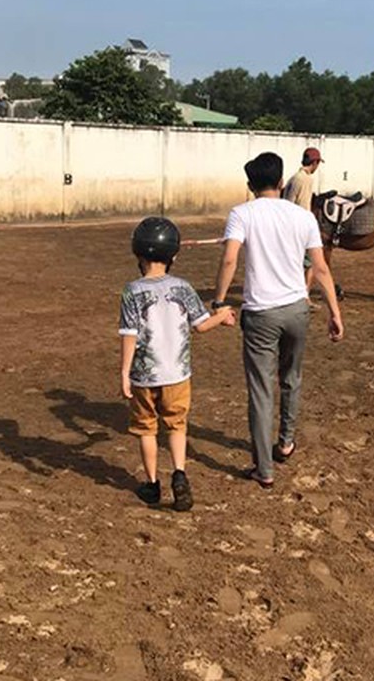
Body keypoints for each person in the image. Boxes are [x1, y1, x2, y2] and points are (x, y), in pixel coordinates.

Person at [213, 152, 344, 489]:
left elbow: (230, 260)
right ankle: (286, 441)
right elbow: (321, 268)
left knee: (260, 390)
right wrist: (334, 311)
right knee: (291, 378)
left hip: (261, 313)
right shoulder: (303, 218)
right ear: (282, 182)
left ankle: (264, 468)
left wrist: (219, 301)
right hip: (297, 311)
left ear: (249, 185)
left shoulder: (241, 214)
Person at [120, 217, 236, 511]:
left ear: (137, 253)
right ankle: (180, 474)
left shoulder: (131, 291)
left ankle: (152, 484)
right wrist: (222, 316)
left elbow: (129, 336)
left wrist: (124, 372)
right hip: (178, 374)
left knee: (147, 429)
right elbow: (201, 326)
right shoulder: (183, 287)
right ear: (173, 255)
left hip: (144, 376)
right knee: (176, 426)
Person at [284, 147, 323, 294]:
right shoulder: (306, 179)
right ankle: (304, 294)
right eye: (318, 163)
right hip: (301, 225)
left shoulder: (294, 178)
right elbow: (304, 206)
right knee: (311, 262)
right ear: (314, 162)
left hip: (291, 223)